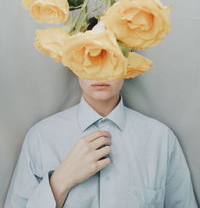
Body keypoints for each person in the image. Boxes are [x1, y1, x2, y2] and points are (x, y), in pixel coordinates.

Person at [4, 76, 198, 208]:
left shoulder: (161, 139)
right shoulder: (40, 137)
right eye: (90, 57)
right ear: (74, 64)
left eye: (109, 57)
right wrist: (60, 181)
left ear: (126, 64)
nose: (100, 71)